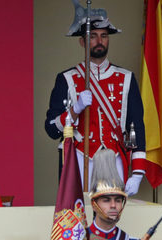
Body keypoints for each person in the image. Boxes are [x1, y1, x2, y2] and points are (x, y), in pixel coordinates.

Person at [44, 7, 145, 195]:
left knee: (112, 214)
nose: (100, 41)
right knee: (79, 218)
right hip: (80, 158)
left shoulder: (126, 78)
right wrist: (75, 110)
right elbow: (51, 128)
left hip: (114, 158)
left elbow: (136, 125)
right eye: (93, 36)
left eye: (104, 36)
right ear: (82, 42)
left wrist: (138, 172)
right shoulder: (66, 79)